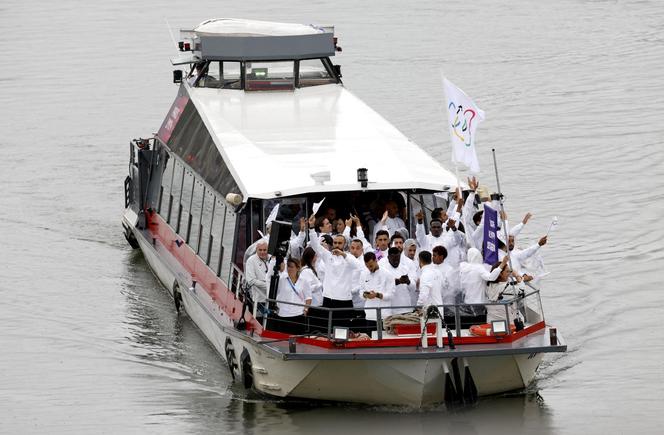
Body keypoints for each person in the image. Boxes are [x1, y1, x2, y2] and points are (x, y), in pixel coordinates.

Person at [308, 214, 359, 328]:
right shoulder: (327, 256)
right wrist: (311, 227)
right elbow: (315, 245)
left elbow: (357, 266)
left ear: (344, 245)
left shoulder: (349, 257)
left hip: (344, 299)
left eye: (339, 243)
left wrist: (343, 254)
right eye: (335, 242)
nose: (336, 245)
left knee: (344, 329)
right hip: (329, 298)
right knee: (329, 328)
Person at [459, 248, 509, 325]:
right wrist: (502, 265)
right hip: (479, 303)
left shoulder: (463, 268)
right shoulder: (478, 268)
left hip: (467, 302)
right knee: (479, 324)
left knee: (470, 324)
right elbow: (491, 277)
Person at [265, 257, 312, 335]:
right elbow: (269, 278)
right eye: (288, 266)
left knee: (298, 341)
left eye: (292, 267)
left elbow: (308, 297)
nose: (289, 269)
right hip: (283, 315)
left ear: (298, 268)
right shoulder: (282, 279)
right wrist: (273, 261)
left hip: (298, 315)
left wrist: (306, 309)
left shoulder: (304, 280)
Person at [359, 252, 395, 332]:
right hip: (370, 315)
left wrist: (377, 295)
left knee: (385, 341)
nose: (369, 268)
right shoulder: (363, 274)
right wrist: (365, 295)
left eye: (371, 266)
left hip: (384, 315)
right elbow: (361, 292)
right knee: (370, 340)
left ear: (376, 261)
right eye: (367, 266)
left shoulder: (387, 274)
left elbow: (391, 295)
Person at [379, 247, 416, 315]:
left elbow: (413, 288)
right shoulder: (383, 269)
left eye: (398, 259)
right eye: (394, 259)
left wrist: (408, 282)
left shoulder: (405, 268)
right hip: (390, 310)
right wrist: (396, 282)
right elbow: (380, 288)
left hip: (406, 308)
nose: (396, 262)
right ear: (388, 257)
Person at [299, 247, 325, 332]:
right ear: (311, 257)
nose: (316, 257)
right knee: (314, 329)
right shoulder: (306, 271)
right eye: (315, 255)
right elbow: (307, 288)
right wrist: (320, 284)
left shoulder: (311, 269)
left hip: (317, 304)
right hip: (313, 305)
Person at [244, 240, 269, 317]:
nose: (262, 252)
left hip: (272, 298)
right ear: (256, 250)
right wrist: (268, 285)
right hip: (259, 299)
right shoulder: (251, 260)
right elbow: (251, 281)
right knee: (262, 318)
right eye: (260, 250)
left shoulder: (271, 258)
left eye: (264, 250)